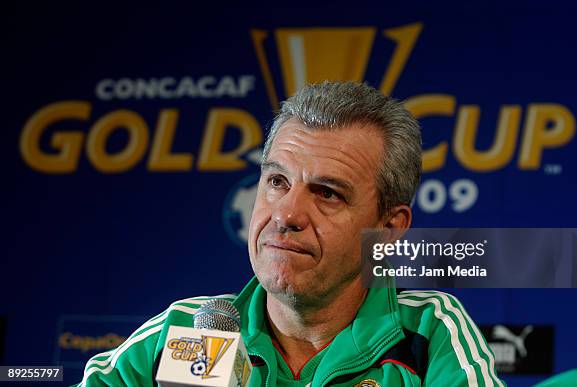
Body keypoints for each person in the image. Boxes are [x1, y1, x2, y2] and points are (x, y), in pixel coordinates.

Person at [76, 81, 504, 386]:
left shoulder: (430, 335)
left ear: (389, 229)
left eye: (327, 193)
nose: (287, 214)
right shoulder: (186, 333)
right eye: (277, 182)